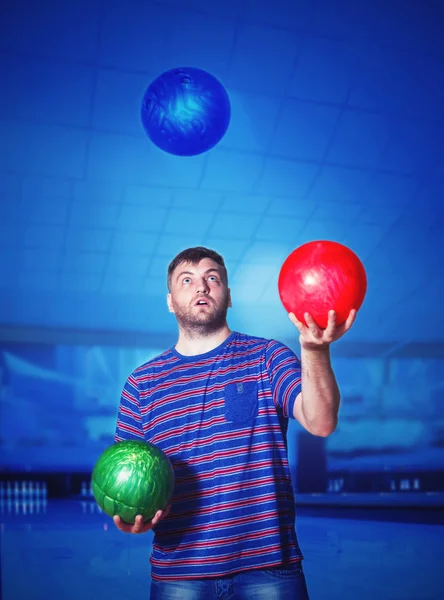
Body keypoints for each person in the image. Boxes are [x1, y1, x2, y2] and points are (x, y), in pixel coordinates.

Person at [113, 246, 356, 600]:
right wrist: (133, 514)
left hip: (270, 568)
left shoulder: (268, 356)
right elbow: (123, 478)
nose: (202, 287)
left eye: (212, 278)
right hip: (179, 574)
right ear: (170, 301)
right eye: (187, 280)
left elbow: (321, 422)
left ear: (228, 296)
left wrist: (316, 350)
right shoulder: (141, 383)